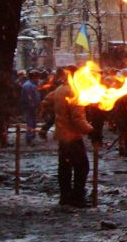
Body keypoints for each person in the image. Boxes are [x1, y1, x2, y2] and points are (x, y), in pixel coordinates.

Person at [41, 67, 94, 207]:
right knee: (82, 167)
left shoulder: (59, 90)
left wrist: (57, 114)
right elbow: (77, 118)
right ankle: (77, 198)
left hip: (62, 135)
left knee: (64, 167)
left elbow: (46, 101)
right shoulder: (74, 92)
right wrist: (91, 131)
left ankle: (65, 197)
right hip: (72, 137)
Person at [20, 73, 41, 144]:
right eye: (37, 77)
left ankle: (31, 136)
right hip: (30, 107)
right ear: (34, 77)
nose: (38, 79)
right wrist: (33, 105)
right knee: (30, 122)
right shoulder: (28, 85)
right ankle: (29, 138)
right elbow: (29, 97)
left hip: (32, 106)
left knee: (33, 122)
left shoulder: (31, 85)